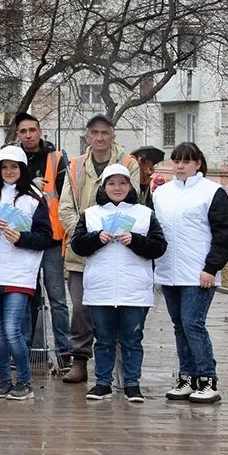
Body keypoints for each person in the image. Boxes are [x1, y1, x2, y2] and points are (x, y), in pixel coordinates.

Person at [69, 164, 167, 403]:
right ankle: (102, 383)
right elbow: (77, 245)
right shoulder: (90, 214)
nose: (117, 188)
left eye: (122, 183)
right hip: (100, 288)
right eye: (112, 183)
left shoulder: (144, 213)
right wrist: (97, 238)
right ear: (103, 187)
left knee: (133, 338)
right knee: (103, 339)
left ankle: (132, 384)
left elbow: (159, 246)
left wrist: (135, 240)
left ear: (130, 185)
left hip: (134, 289)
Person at [58, 114, 140, 384]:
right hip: (81, 251)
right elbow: (65, 207)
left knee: (119, 307)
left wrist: (113, 233)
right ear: (87, 136)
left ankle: (120, 368)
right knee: (81, 308)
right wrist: (85, 233)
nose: (100, 137)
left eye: (105, 132)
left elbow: (132, 203)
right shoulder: (75, 166)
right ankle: (79, 359)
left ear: (113, 135)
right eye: (95, 133)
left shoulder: (128, 164)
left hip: (120, 250)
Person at [152, 142, 228, 404]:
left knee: (192, 323)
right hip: (168, 272)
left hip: (199, 273)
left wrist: (212, 267)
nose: (180, 166)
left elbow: (224, 234)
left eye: (186, 161)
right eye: (176, 160)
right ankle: (186, 377)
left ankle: (207, 379)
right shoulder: (162, 193)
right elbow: (155, 230)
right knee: (179, 326)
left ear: (198, 163)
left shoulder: (212, 192)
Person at [0, 145, 54, 401]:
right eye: (4, 167)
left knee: (11, 329)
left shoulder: (34, 198)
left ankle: (25, 381)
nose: (8, 172)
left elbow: (45, 237)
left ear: (22, 169)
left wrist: (22, 238)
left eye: (14, 167)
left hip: (19, 273)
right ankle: (5, 380)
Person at [13, 112, 71, 370]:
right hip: (25, 238)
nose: (28, 135)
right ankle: (26, 350)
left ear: (40, 131)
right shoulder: (13, 160)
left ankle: (64, 352)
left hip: (51, 238)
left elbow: (67, 194)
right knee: (28, 298)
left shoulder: (56, 159)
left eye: (32, 130)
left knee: (57, 298)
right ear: (18, 134)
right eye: (23, 131)